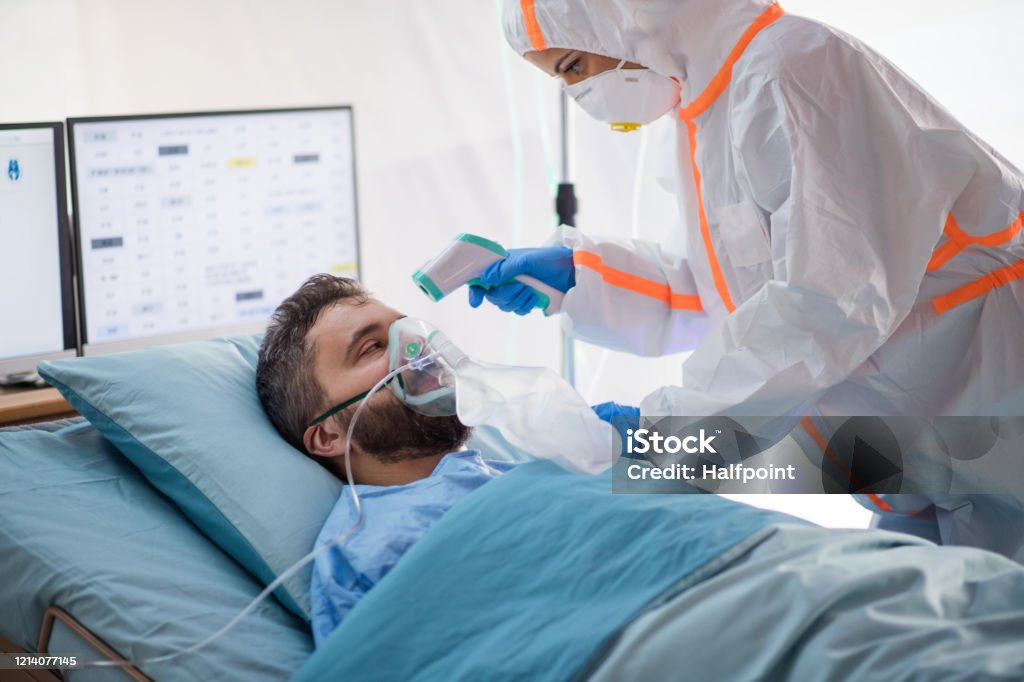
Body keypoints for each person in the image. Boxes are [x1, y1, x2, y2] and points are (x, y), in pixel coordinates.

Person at [464, 0, 1024, 558]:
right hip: (919, 447)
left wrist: (672, 430)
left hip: (988, 401)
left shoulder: (790, 69)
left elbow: (830, 298)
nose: (578, 92)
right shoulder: (704, 112)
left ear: (622, 17)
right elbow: (719, 287)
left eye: (572, 66)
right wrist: (583, 277)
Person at [256, 274, 515, 644]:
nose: (417, 349)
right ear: (329, 435)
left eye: (406, 331)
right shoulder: (364, 554)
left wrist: (619, 439)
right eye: (372, 347)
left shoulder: (517, 470)